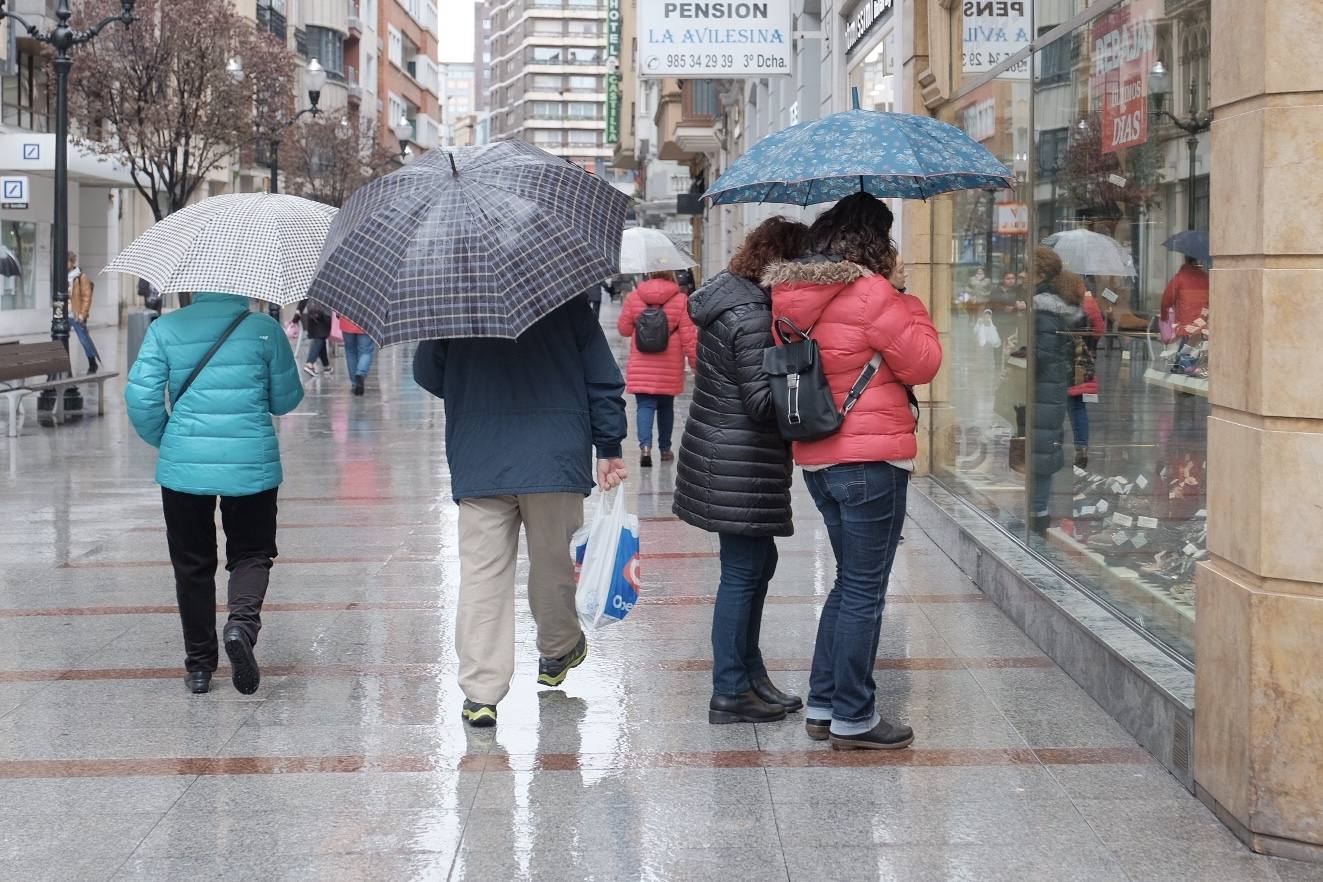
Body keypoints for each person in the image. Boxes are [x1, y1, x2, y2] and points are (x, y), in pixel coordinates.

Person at [764, 193, 942, 751]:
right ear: (874, 240)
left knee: (848, 584)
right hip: (871, 457)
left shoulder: (792, 297)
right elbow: (923, 364)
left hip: (819, 456)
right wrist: (909, 305)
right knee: (865, 589)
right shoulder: (872, 293)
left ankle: (823, 704)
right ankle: (854, 716)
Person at [413, 298, 628, 728]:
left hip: (479, 455)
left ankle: (481, 693)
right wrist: (609, 445)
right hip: (554, 455)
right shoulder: (567, 303)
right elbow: (602, 379)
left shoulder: (450, 305)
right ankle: (559, 647)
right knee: (553, 564)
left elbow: (428, 374)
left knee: (482, 576)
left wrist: (471, 382)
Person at [124, 292, 304, 695]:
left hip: (183, 465)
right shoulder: (263, 329)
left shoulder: (164, 328)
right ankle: (240, 624)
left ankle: (201, 667)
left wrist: (169, 439)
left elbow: (140, 397)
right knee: (253, 551)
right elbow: (286, 400)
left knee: (191, 563)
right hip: (250, 462)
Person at [672, 217, 810, 725]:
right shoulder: (752, 313)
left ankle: (752, 677)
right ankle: (729, 689)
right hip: (739, 459)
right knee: (742, 574)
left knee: (756, 566)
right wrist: (798, 363)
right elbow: (758, 400)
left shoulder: (730, 298)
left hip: (726, 455)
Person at [1029, 247, 1087, 533]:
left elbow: (1041, 355)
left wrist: (1020, 355)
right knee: (1041, 449)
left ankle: (1038, 513)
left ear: (1039, 273)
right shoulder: (1048, 304)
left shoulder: (1043, 308)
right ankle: (1038, 508)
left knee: (1040, 451)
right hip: (1048, 389)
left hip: (1044, 390)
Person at [617, 270, 698, 467]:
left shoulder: (634, 297)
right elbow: (689, 337)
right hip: (669, 365)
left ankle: (645, 447)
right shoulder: (681, 300)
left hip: (641, 364)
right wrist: (696, 364)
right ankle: (665, 449)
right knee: (665, 407)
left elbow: (624, 329)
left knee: (644, 406)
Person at [1067, 276, 1105, 469]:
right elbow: (1099, 329)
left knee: (1062, 405)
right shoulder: (1090, 303)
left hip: (1066, 360)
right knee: (1078, 406)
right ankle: (1081, 447)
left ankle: (1053, 445)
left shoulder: (1065, 299)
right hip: (1083, 362)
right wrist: (1089, 346)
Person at [67, 252, 101, 374]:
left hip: (76, 314)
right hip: (64, 315)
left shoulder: (81, 277)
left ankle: (92, 362)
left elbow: (87, 297)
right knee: (60, 340)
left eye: (67, 262)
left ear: (72, 262)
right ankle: (64, 365)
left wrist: (82, 314)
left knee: (83, 339)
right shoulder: (62, 276)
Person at [1161, 255, 1210, 337]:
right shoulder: (1206, 278)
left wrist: (1164, 318)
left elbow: (1166, 301)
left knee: (1183, 349)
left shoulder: (1179, 278)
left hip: (1185, 328)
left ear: (1185, 259)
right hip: (1203, 327)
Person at [295, 299, 333, 376]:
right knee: (319, 340)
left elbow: (303, 302)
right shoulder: (325, 288)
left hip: (312, 317)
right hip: (323, 317)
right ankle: (309, 363)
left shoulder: (309, 288)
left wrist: (296, 317)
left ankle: (326, 366)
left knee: (321, 340)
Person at [339, 314, 375, 395]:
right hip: (367, 321)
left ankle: (355, 384)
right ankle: (360, 373)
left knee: (350, 351)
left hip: (346, 320)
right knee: (366, 351)